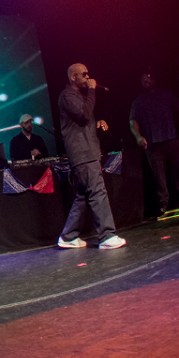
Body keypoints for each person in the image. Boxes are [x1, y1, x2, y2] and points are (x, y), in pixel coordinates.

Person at [56, 63, 126, 249]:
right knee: (97, 191)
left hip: (87, 151)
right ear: (73, 77)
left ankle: (68, 236)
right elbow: (84, 115)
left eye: (88, 74)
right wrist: (92, 91)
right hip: (82, 153)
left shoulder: (78, 96)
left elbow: (83, 121)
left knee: (83, 194)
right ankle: (107, 236)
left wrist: (97, 123)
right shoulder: (67, 96)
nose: (88, 77)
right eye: (84, 74)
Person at [129, 72, 179, 216]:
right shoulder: (138, 102)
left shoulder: (165, 94)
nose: (145, 82)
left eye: (147, 79)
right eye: (142, 80)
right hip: (153, 142)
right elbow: (133, 121)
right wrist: (138, 137)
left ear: (153, 80)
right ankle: (163, 202)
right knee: (159, 176)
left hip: (172, 137)